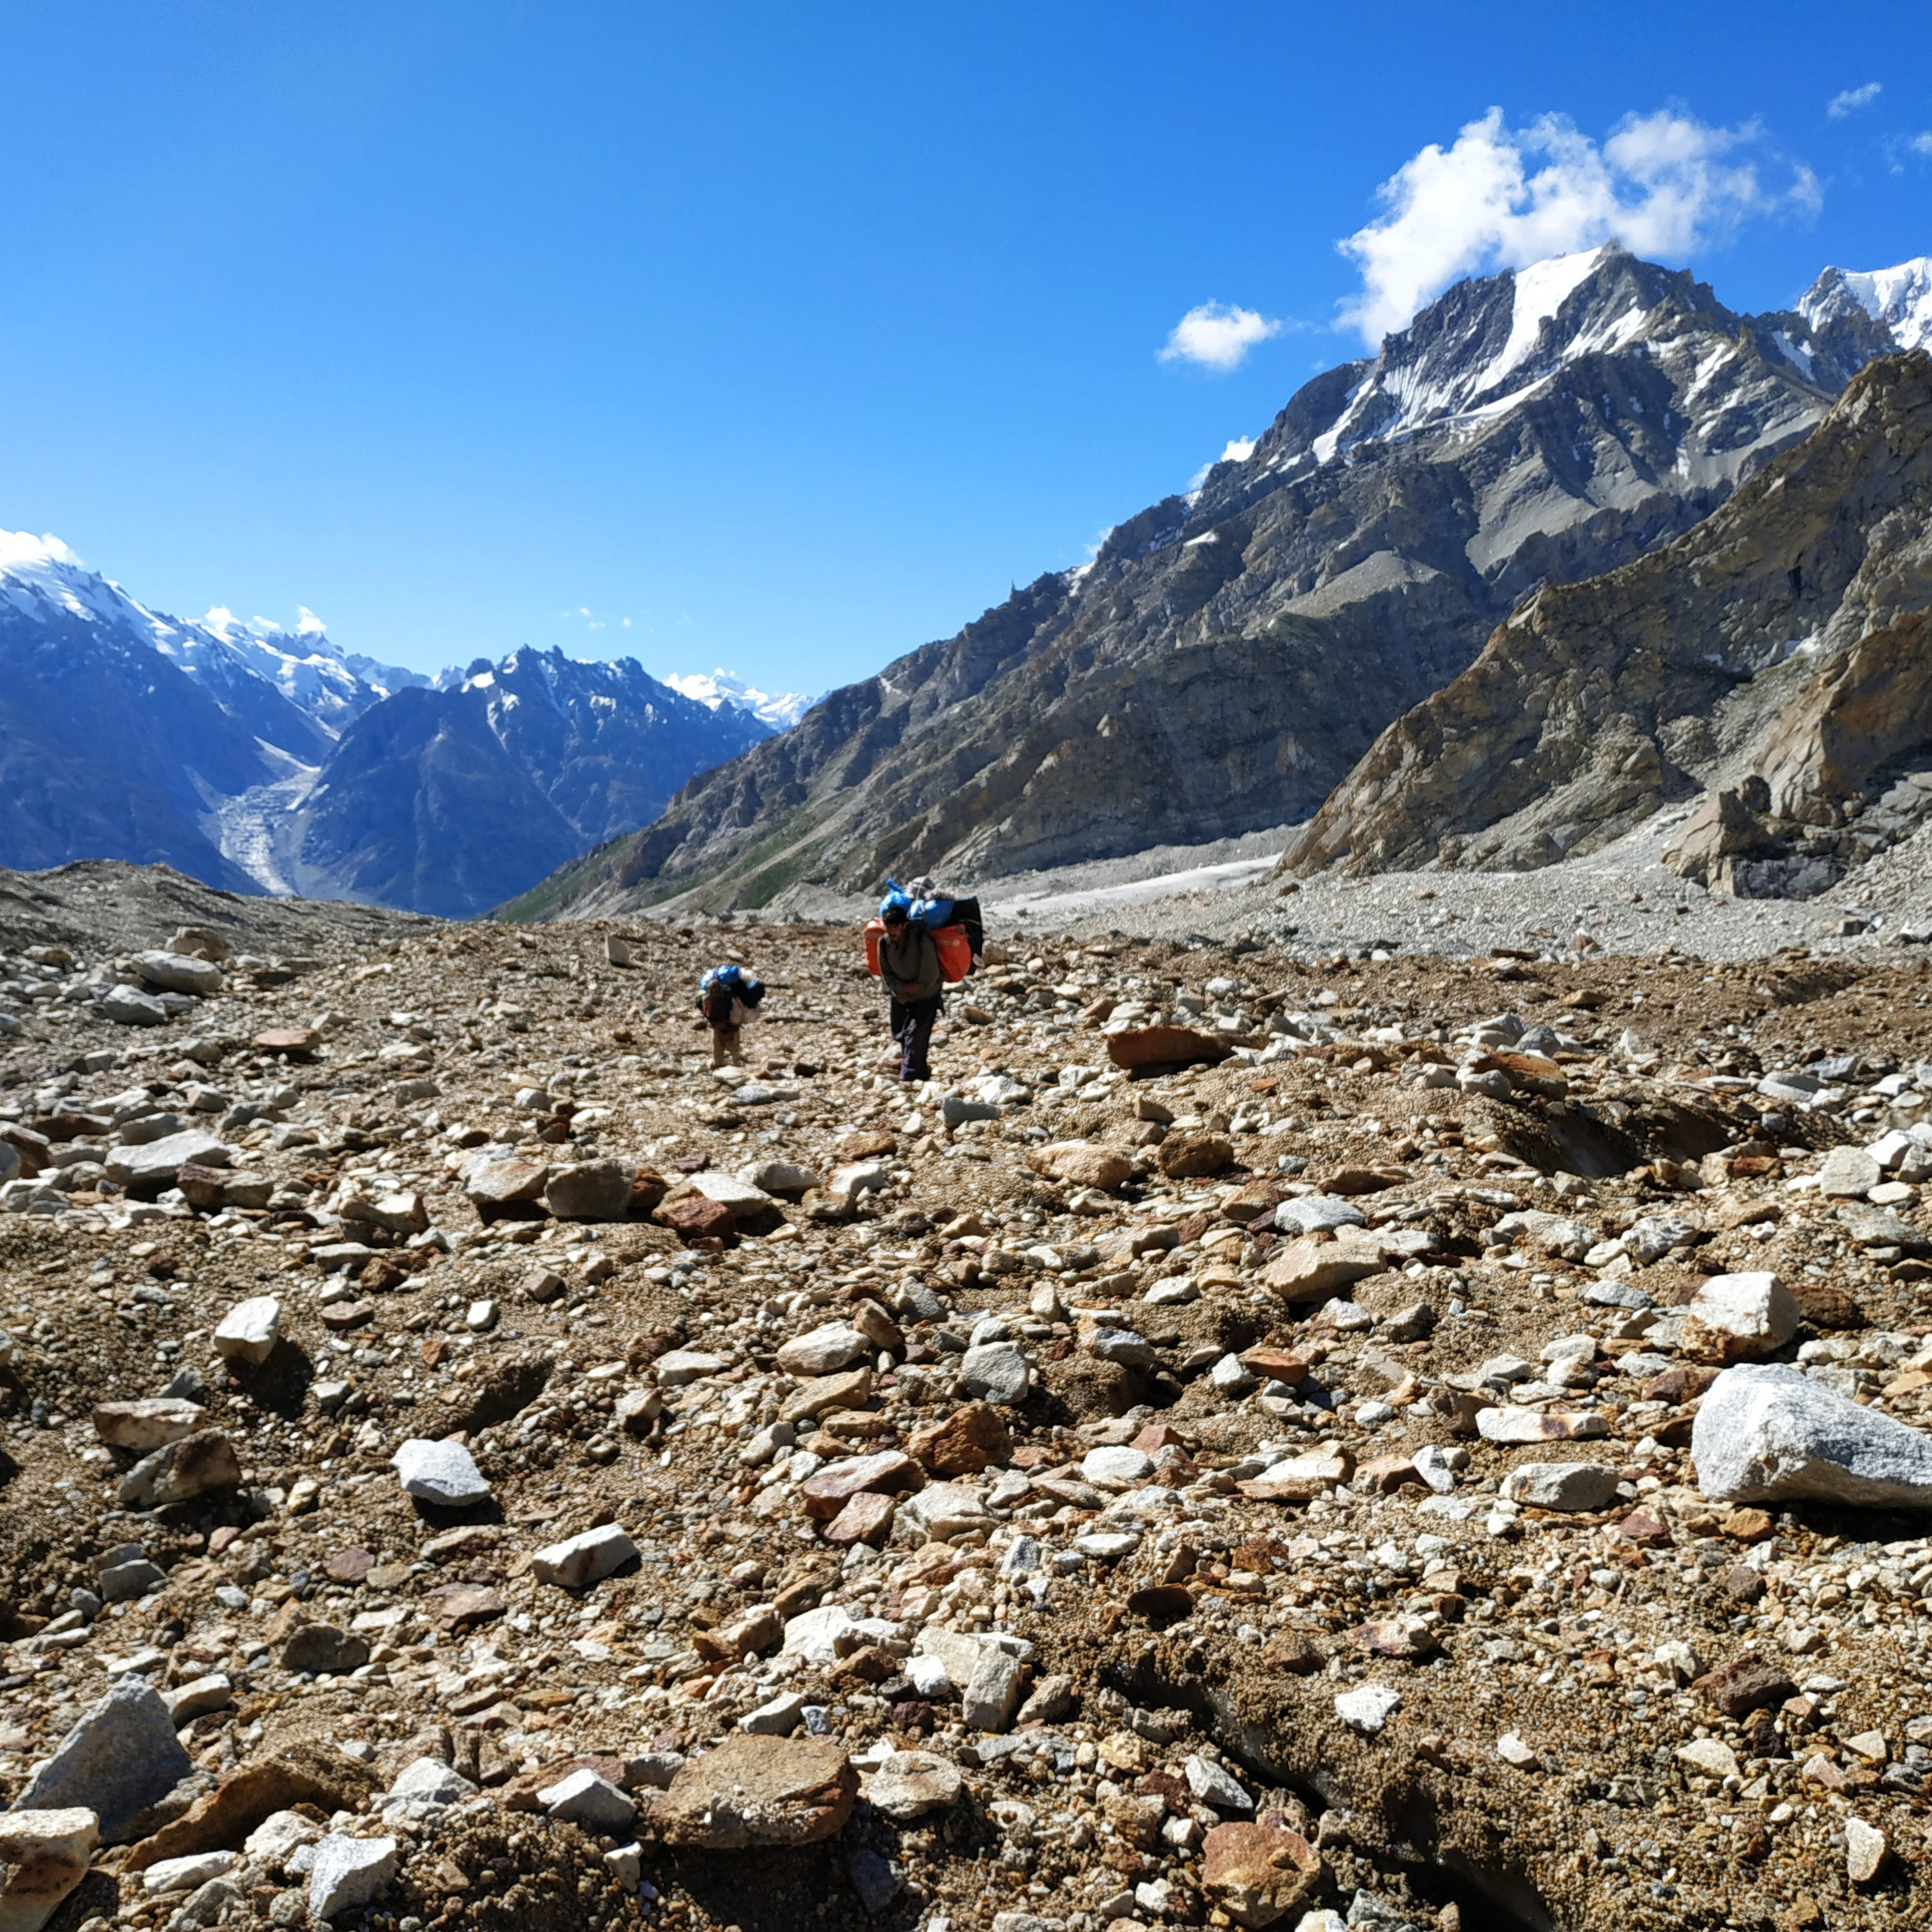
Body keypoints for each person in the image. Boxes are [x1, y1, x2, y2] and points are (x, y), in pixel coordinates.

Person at [877, 900, 943, 1082]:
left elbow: (930, 975)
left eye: (895, 927)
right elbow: (887, 973)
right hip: (899, 995)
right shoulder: (883, 943)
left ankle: (910, 1075)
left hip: (926, 995)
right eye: (888, 927)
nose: (891, 932)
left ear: (905, 925)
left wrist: (912, 992)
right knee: (900, 1032)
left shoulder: (922, 941)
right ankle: (917, 1069)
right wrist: (901, 991)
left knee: (916, 1033)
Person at [696, 964, 763, 1068]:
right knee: (721, 1053)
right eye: (714, 991)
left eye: (717, 989)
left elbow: (737, 1014)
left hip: (729, 1028)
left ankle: (733, 1064)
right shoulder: (710, 1000)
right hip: (721, 1028)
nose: (717, 992)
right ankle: (725, 1065)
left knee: (731, 1052)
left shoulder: (729, 998)